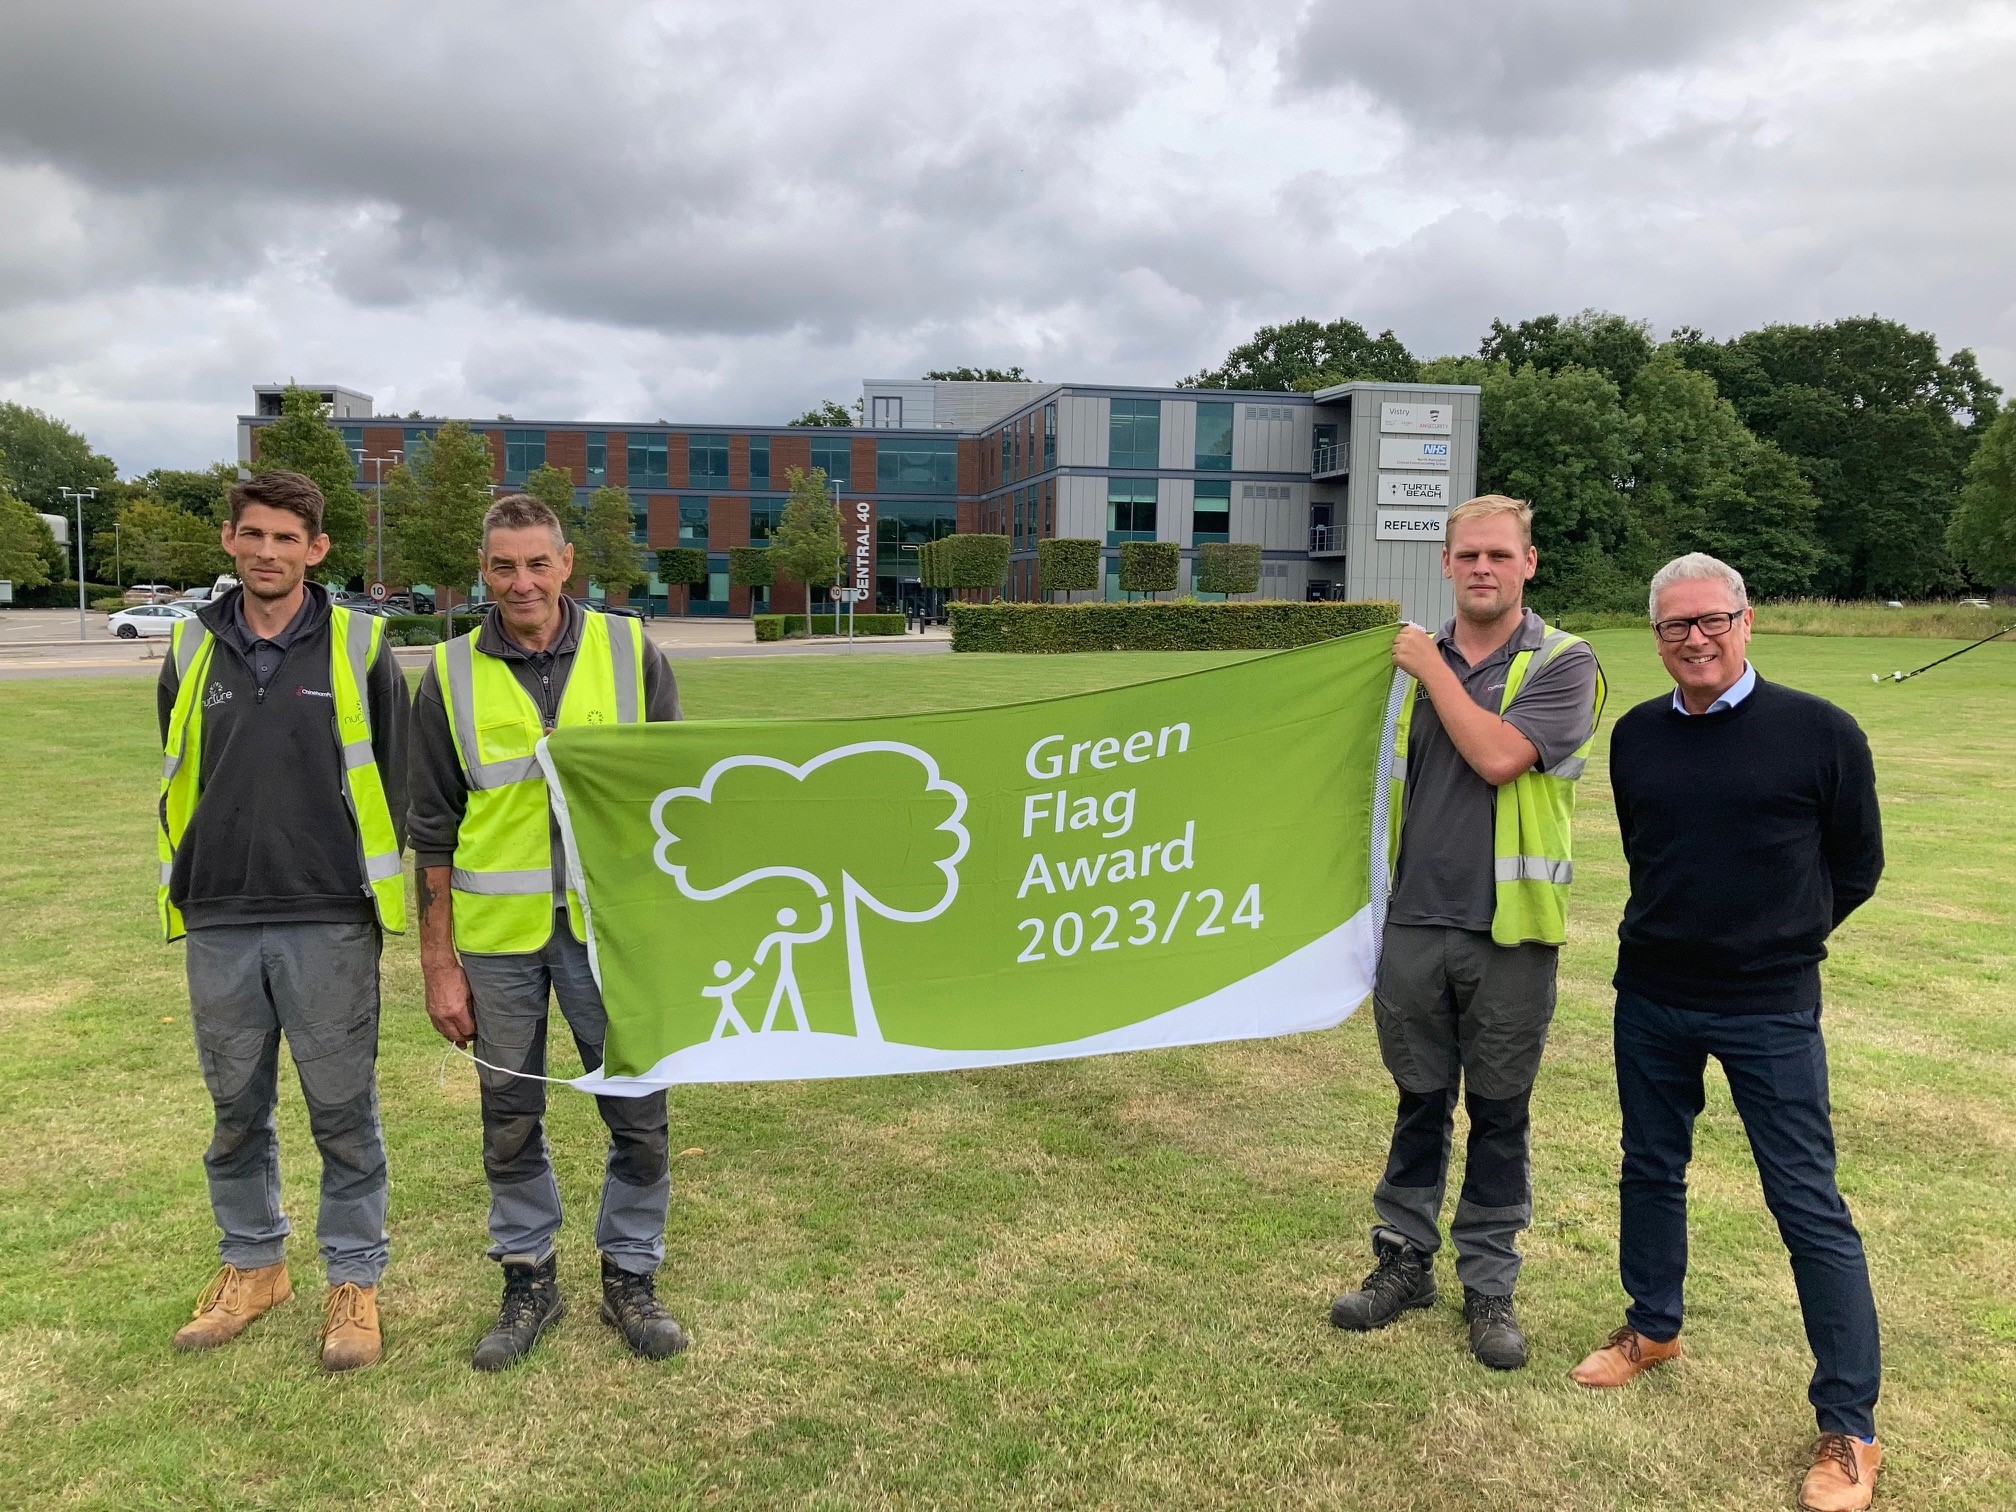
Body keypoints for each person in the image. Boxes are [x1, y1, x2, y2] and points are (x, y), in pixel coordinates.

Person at [1571, 553, 1886, 1512]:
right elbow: (1651, 852)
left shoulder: (1820, 732)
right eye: (1674, 627)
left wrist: (1777, 938)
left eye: (1711, 621)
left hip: (1771, 1006)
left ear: (1746, 623)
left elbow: (1857, 866)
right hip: (1653, 994)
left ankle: (1850, 1426)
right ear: (1656, 636)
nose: (1694, 640)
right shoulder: (1634, 736)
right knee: (1648, 1166)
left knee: (1807, 1205)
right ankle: (1652, 1326)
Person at [407, 493, 688, 1371]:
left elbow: (679, 794)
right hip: (498, 941)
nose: (520, 582)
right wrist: (437, 965)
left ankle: (630, 1273)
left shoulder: (629, 649)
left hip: (616, 935)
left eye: (537, 563)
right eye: (502, 566)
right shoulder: (447, 674)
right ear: (482, 572)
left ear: (567, 564)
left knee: (638, 1109)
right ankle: (529, 1274)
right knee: (509, 1116)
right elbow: (432, 833)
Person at [1330, 494, 1603, 1370]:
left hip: (1510, 934)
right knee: (1417, 1102)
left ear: (1530, 563)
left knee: (1498, 1111)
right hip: (1413, 920)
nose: (1482, 568)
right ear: (1445, 565)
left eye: (1499, 555)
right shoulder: (1402, 663)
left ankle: (1489, 1281)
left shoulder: (1565, 663)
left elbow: (1498, 758)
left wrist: (1429, 669)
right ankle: (1403, 1261)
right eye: (1468, 555)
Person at [158, 469, 408, 1372]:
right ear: (230, 540)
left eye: (286, 539)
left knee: (343, 1112)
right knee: (234, 1110)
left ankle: (354, 1279)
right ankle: (252, 1266)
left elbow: (395, 775)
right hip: (219, 914)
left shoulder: (362, 645)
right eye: (252, 535)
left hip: (329, 914)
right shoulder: (190, 649)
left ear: (317, 549)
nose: (268, 552)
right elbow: (183, 766)